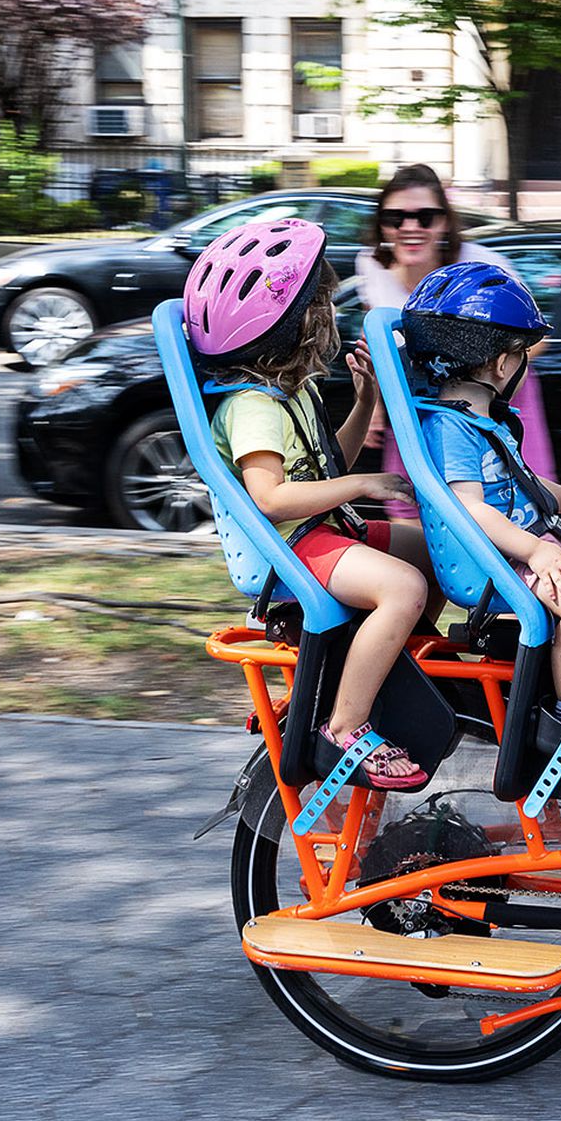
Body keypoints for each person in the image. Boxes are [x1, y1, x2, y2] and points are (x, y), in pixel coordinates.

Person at [186, 216, 436, 794]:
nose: (330, 315)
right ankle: (346, 724)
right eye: (321, 304)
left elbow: (329, 467)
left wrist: (367, 397)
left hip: (319, 533)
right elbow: (272, 499)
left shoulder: (291, 392)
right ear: (284, 325)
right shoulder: (252, 406)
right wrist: (362, 488)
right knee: (404, 588)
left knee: (429, 553)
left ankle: (394, 677)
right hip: (293, 547)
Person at [401, 262, 561, 766]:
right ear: (502, 364)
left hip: (523, 547)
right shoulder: (449, 430)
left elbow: (517, 483)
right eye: (521, 355)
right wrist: (537, 550)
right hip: (492, 565)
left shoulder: (481, 420)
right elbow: (468, 509)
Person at [354, 164, 559, 512]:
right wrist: (374, 405)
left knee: (513, 506)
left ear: (444, 222)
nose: (410, 227)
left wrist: (476, 380)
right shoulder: (371, 268)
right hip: (418, 410)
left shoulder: (482, 267)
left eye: (425, 217)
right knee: (408, 505)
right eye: (395, 218)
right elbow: (376, 341)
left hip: (494, 405)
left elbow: (537, 340)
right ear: (382, 225)